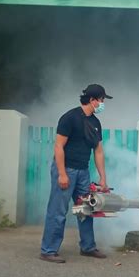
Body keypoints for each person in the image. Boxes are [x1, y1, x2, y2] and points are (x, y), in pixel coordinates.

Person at [40, 84, 112, 263]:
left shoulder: (95, 122)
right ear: (92, 100)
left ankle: (88, 247)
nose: (103, 103)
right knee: (58, 210)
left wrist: (103, 177)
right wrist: (62, 174)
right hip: (66, 169)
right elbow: (58, 146)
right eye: (102, 100)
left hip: (83, 171)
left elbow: (98, 151)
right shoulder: (70, 118)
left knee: (86, 209)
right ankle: (48, 250)